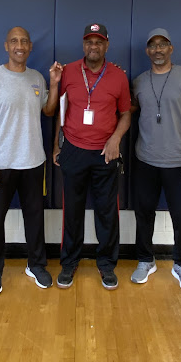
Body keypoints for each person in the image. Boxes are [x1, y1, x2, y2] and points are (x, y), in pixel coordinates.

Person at [0, 26, 63, 295]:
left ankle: (36, 265)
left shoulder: (37, 78)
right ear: (6, 46)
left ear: (31, 47)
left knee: (35, 218)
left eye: (24, 41)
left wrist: (55, 83)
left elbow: (48, 110)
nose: (19, 45)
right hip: (0, 164)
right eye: (14, 41)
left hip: (33, 162)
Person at [131, 28, 181, 293]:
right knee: (144, 214)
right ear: (147, 51)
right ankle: (145, 260)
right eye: (152, 45)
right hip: (145, 160)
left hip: (180, 162)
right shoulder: (139, 81)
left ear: (171, 48)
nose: (158, 50)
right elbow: (127, 109)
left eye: (162, 44)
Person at [53, 23, 131, 290]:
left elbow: (126, 114)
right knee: (72, 212)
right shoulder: (69, 72)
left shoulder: (119, 77)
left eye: (98, 42)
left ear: (107, 45)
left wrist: (115, 139)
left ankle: (107, 265)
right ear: (83, 45)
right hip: (73, 149)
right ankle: (69, 263)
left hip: (105, 153)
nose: (93, 46)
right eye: (89, 42)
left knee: (107, 212)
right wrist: (56, 145)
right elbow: (61, 112)